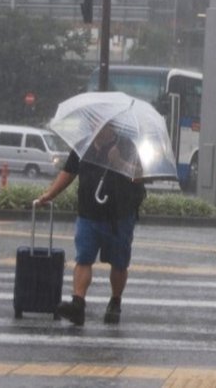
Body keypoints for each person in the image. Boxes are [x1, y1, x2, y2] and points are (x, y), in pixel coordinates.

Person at [37, 123, 145, 326]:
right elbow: (69, 172)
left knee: (119, 263)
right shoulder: (83, 145)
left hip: (118, 217)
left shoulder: (126, 145)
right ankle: (78, 304)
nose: (95, 127)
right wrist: (50, 195)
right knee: (83, 258)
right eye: (92, 122)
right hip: (88, 213)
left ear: (109, 125)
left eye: (99, 123)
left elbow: (139, 176)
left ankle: (115, 302)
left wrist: (118, 162)